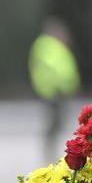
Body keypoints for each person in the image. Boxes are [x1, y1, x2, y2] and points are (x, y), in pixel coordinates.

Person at [28, 17, 79, 158]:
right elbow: (54, 68)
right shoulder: (48, 46)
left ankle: (51, 151)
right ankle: (49, 153)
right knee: (53, 123)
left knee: (57, 123)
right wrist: (63, 84)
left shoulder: (55, 46)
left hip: (58, 90)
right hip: (53, 91)